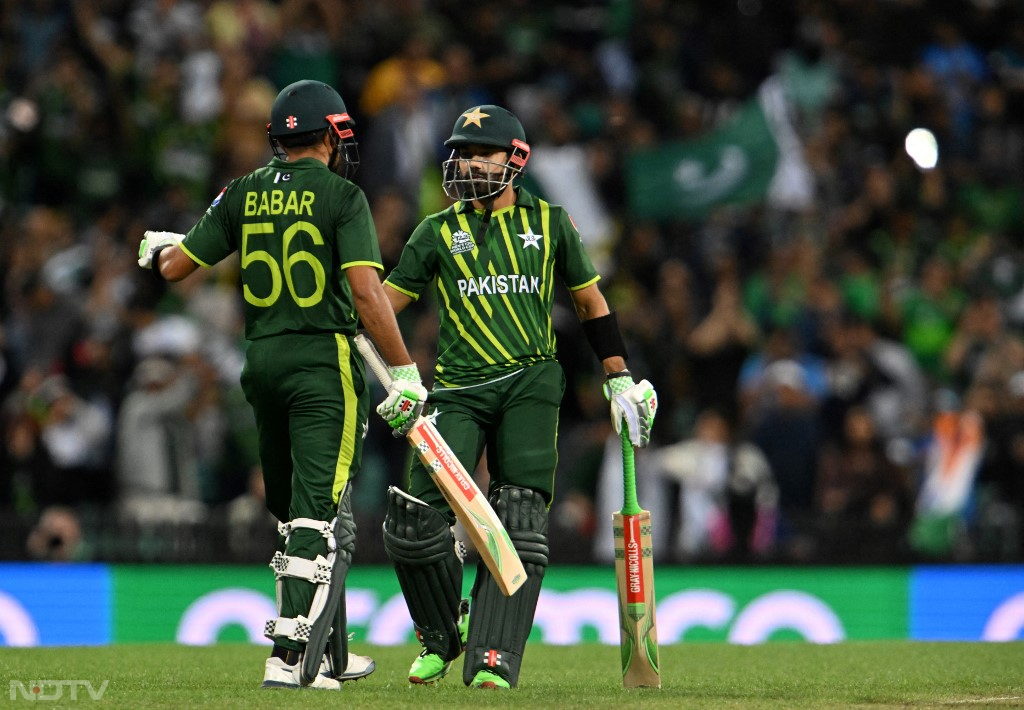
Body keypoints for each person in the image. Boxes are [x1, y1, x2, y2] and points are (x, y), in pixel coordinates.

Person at [136, 79, 428, 691]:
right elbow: (367, 294)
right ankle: (291, 658)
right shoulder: (343, 196)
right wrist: (403, 371)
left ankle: (332, 655)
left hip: (261, 362)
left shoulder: (242, 191)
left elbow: (176, 267)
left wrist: (166, 244)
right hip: (323, 363)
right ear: (328, 136)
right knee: (317, 519)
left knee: (293, 511)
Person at [379, 104, 658, 690]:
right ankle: (441, 635)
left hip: (530, 382)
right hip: (455, 389)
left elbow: (590, 304)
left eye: (484, 154)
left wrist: (617, 376)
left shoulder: (553, 221)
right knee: (409, 520)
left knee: (520, 519)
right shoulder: (435, 230)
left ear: (516, 159)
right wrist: (395, 374)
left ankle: (492, 660)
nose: (470, 164)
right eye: (463, 153)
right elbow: (383, 306)